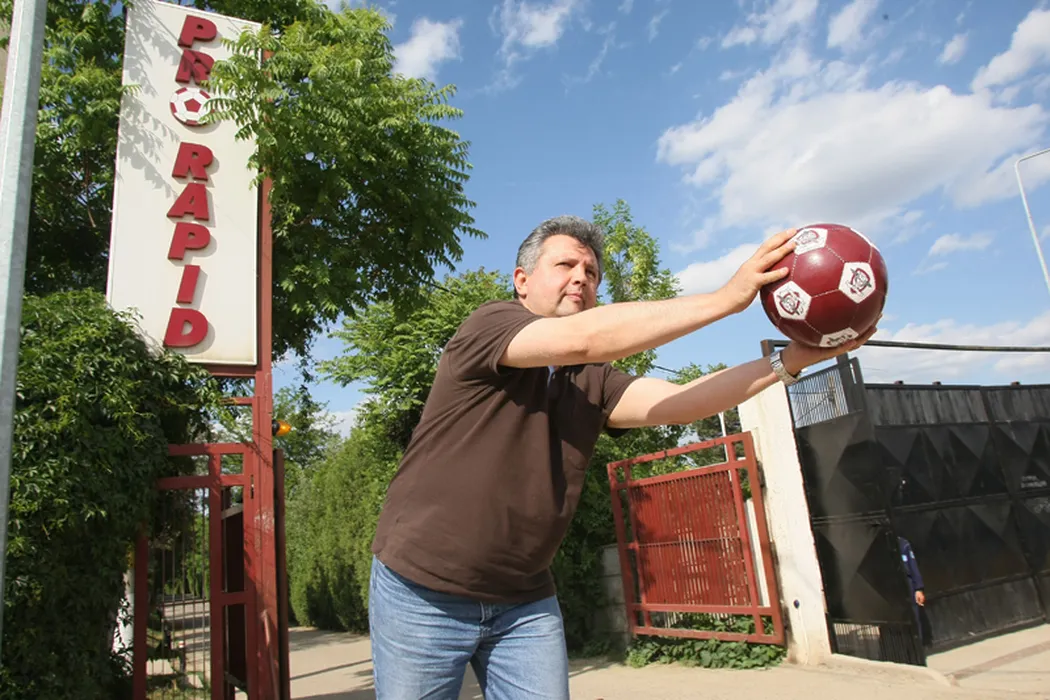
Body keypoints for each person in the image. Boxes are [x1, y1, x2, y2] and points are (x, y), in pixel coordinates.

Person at [367, 215, 878, 699]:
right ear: (522, 281)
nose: (581, 278)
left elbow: (680, 401)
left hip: (524, 599)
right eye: (565, 265)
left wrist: (791, 360)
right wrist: (725, 299)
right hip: (423, 590)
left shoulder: (592, 379)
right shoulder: (489, 325)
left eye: (591, 272)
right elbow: (585, 338)